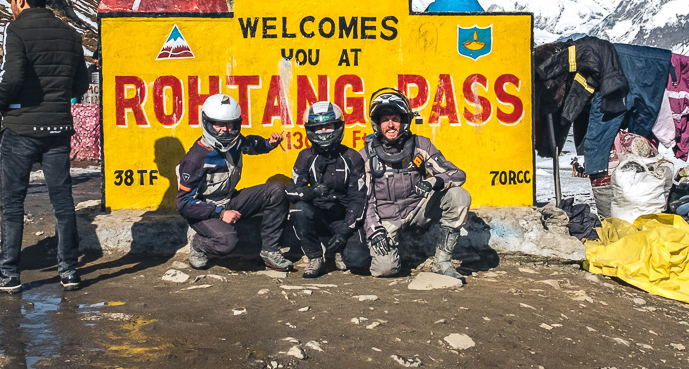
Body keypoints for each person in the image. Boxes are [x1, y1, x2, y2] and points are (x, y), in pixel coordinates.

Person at [0, 0, 91, 294]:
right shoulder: (70, 34)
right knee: (62, 200)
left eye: (10, 0)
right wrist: (57, 97)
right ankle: (69, 271)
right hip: (58, 127)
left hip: (21, 127)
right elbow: (81, 84)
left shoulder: (16, 29)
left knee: (12, 202)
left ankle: (8, 273)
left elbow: (12, 76)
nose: (10, 6)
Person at [360, 88, 471, 279]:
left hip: (419, 211)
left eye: (395, 119)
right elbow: (365, 200)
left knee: (459, 196)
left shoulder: (421, 145)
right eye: (385, 120)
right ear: (377, 124)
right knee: (384, 270)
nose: (390, 125)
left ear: (404, 121)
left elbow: (457, 174)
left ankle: (442, 262)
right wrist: (374, 230)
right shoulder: (365, 155)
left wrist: (434, 181)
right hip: (387, 220)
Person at [173, 93, 291, 271]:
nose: (225, 130)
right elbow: (183, 204)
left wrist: (270, 143)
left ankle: (270, 251)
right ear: (207, 123)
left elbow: (251, 144)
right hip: (204, 210)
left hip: (228, 199)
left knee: (277, 190)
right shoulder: (195, 158)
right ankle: (199, 244)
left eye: (230, 125)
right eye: (218, 124)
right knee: (226, 241)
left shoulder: (235, 142)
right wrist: (220, 213)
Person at [289, 101, 370, 278]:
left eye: (328, 126)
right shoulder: (305, 156)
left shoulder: (352, 157)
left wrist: (345, 231)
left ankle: (339, 248)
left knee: (358, 261)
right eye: (319, 127)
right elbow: (292, 192)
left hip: (344, 217)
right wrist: (311, 192)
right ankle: (315, 256)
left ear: (338, 127)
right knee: (298, 210)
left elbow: (358, 198)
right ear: (311, 130)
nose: (324, 131)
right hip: (318, 216)